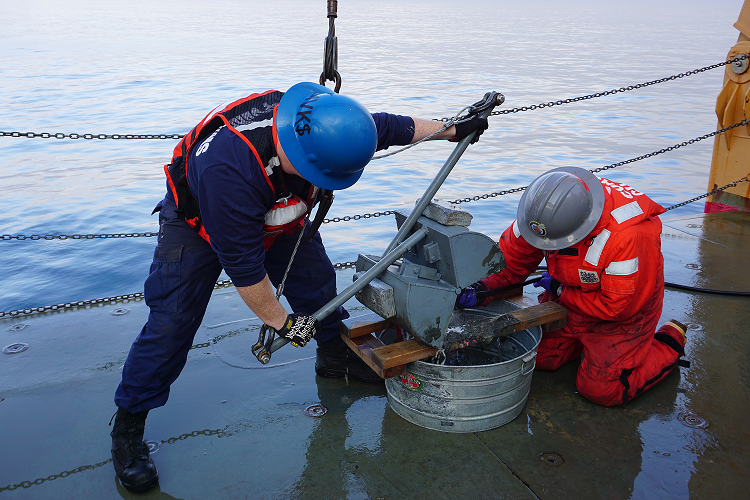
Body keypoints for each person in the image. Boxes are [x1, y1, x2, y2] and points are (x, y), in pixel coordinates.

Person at [109, 82, 488, 493]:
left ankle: (333, 359)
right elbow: (246, 272)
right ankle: (128, 426)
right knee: (171, 325)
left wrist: (452, 128)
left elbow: (389, 128)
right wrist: (285, 324)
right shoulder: (229, 170)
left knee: (318, 286)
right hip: (197, 228)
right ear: (299, 154)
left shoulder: (327, 125)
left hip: (278, 215)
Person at [457, 166, 688, 407]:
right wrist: (481, 289)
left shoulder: (629, 236)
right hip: (571, 297)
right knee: (539, 356)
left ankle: (669, 340)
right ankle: (589, 350)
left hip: (623, 312)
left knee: (603, 389)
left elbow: (619, 308)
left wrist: (559, 291)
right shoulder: (542, 214)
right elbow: (510, 266)